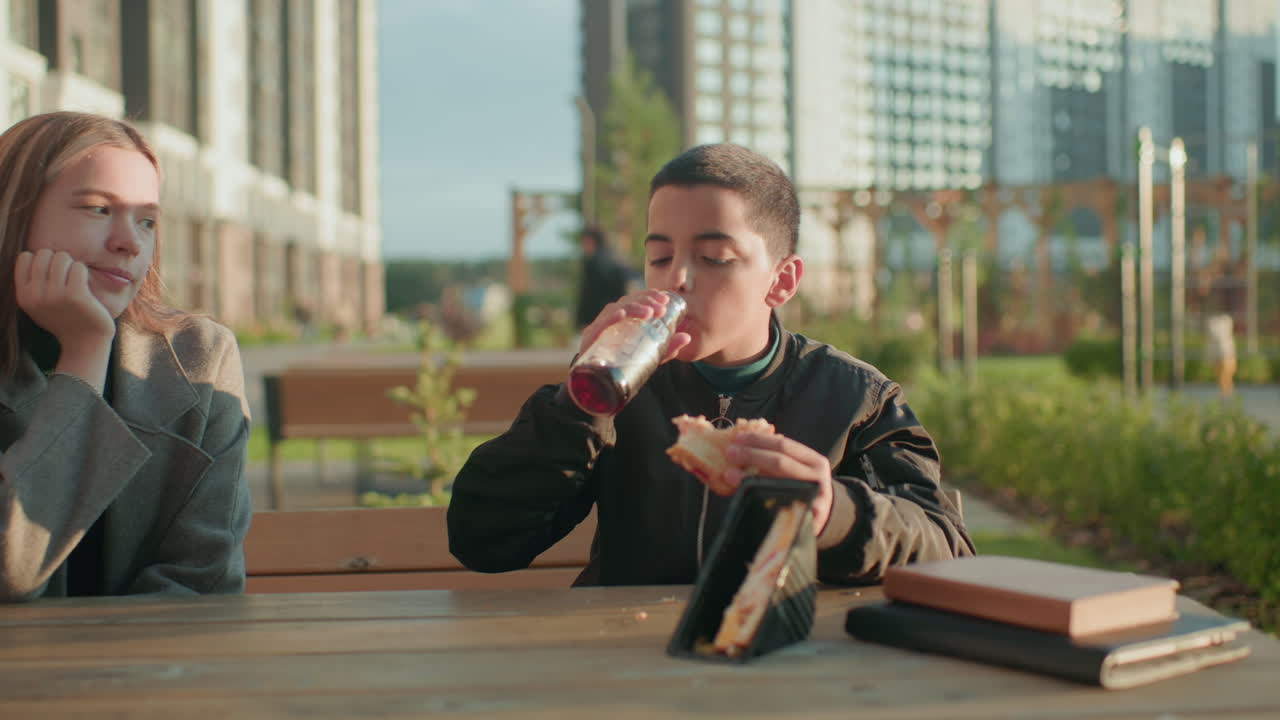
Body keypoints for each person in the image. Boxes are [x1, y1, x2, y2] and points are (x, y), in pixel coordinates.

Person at [448, 143, 972, 586]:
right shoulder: (619, 392)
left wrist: (832, 512)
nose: (677, 278)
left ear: (782, 280)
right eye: (659, 257)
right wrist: (578, 403)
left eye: (713, 258)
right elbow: (483, 539)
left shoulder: (854, 398)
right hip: (627, 669)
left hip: (792, 671)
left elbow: (947, 548)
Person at [0, 111, 252, 601]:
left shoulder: (199, 355)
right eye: (98, 209)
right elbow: (11, 572)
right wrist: (84, 355)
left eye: (147, 221)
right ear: (14, 212)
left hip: (154, 668)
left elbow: (202, 582)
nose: (129, 242)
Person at [573, 226, 634, 332]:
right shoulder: (616, 258)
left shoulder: (594, 263)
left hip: (597, 317)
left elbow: (589, 296)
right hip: (617, 315)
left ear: (590, 241)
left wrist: (582, 320)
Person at [1205, 312, 1236, 397]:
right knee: (1221, 375)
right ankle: (1224, 394)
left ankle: (1227, 394)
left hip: (1226, 352)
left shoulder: (1226, 322)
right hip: (1220, 352)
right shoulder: (1214, 323)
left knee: (1226, 374)